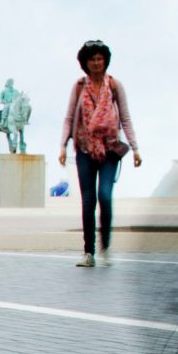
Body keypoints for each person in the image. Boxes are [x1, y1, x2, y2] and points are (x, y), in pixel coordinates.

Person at [59, 39, 140, 268]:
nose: (96, 63)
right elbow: (68, 119)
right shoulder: (79, 86)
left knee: (104, 195)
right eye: (92, 59)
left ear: (105, 60)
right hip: (84, 148)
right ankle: (88, 252)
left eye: (99, 58)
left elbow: (125, 117)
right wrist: (63, 145)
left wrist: (135, 148)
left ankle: (106, 246)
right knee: (88, 200)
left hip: (110, 149)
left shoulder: (115, 86)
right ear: (85, 63)